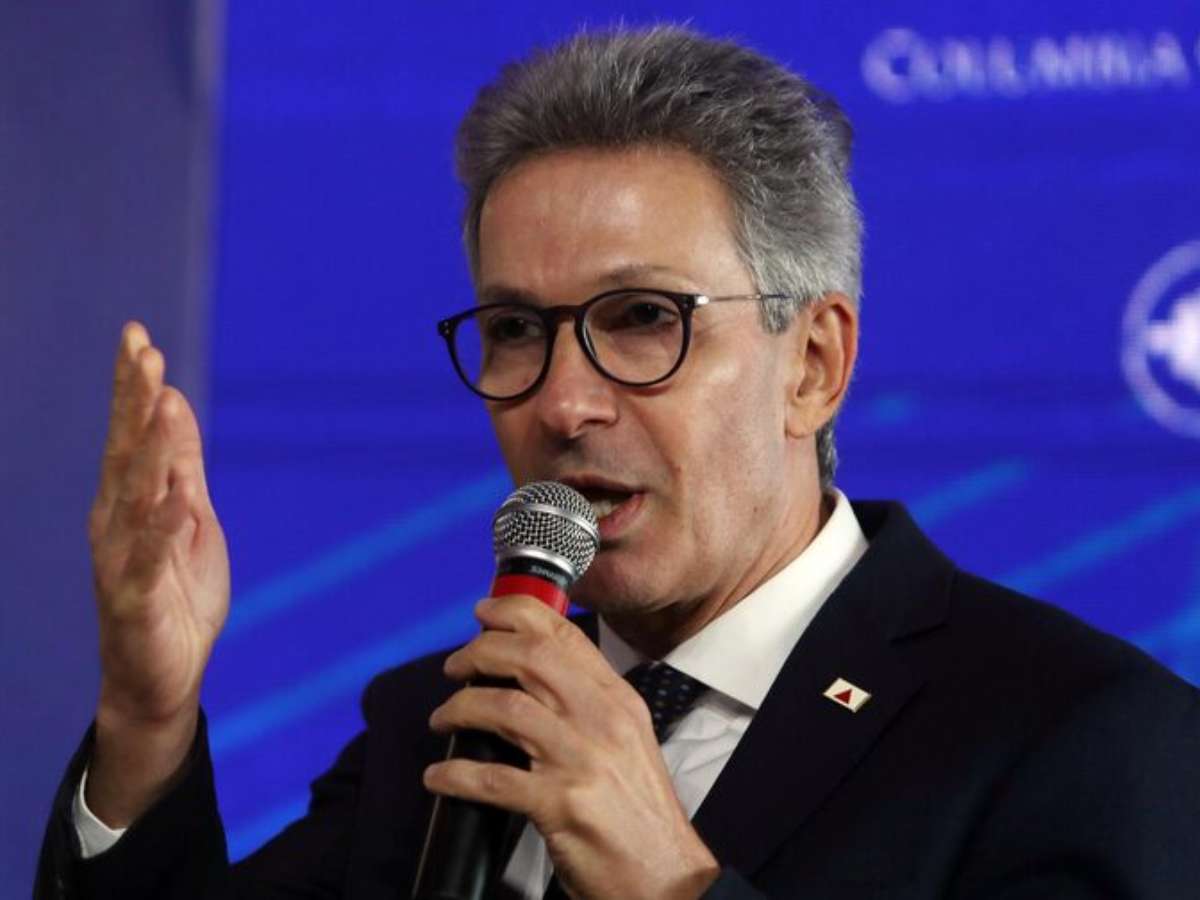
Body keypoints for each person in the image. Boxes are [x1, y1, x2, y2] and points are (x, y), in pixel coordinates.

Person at [36, 25, 1200, 900]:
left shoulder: (1081, 739)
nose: (562, 401)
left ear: (813, 365)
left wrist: (674, 887)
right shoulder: (441, 727)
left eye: (644, 318)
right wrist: (147, 717)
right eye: (515, 330)